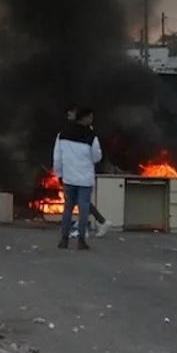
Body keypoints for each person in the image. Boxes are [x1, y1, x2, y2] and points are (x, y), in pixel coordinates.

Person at [53, 107, 103, 251]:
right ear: (84, 118)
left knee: (67, 209)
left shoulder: (62, 134)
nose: (92, 119)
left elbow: (57, 157)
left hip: (68, 178)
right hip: (85, 180)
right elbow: (97, 157)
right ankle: (81, 240)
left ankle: (64, 240)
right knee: (84, 210)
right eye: (90, 117)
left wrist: (59, 174)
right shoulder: (91, 136)